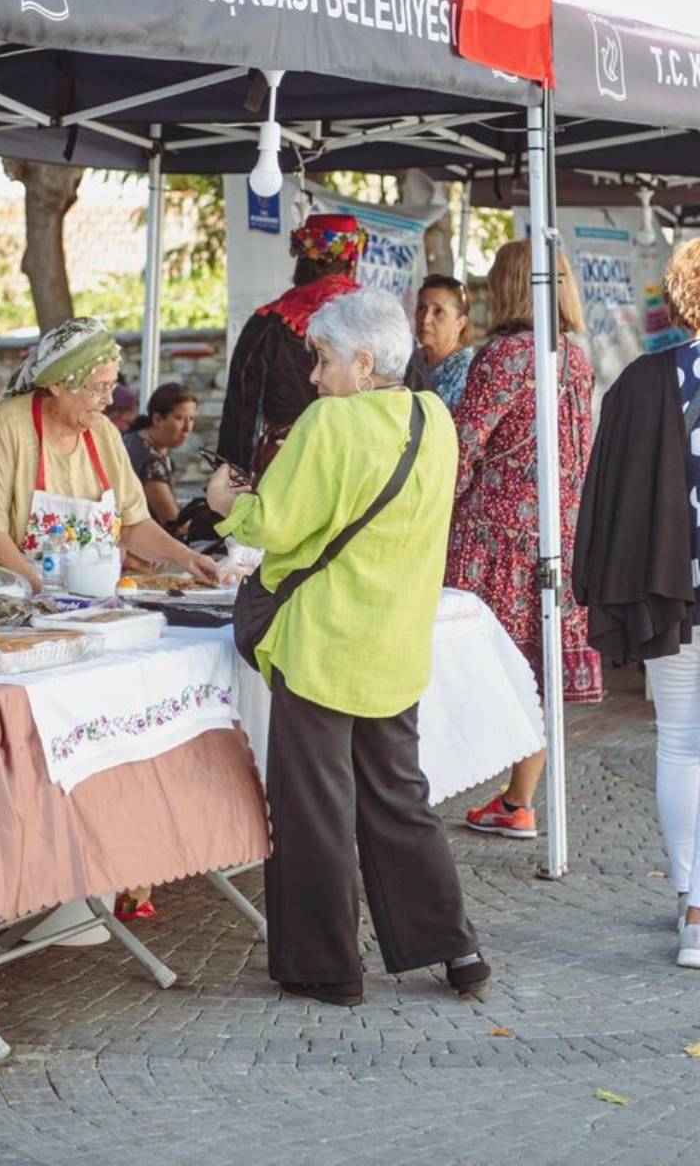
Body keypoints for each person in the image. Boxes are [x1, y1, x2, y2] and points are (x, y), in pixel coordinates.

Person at [206, 289, 488, 1007]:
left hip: (324, 645)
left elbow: (276, 524)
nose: (314, 374)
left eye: (324, 358)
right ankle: (454, 946)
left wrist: (225, 502)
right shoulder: (435, 418)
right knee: (400, 799)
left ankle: (329, 969)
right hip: (394, 643)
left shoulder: (330, 423)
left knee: (316, 813)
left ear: (365, 363)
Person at [573, 239, 700, 966]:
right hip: (673, 590)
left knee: (681, 743)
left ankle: (688, 895)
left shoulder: (642, 381)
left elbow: (607, 495)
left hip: (665, 589)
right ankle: (697, 916)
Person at [448, 240, 602, 841]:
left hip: (499, 534)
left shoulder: (505, 356)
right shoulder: (575, 357)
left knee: (481, 661)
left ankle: (444, 778)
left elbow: (466, 445)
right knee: (540, 671)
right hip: (561, 531)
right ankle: (520, 799)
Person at [0, 318, 221, 594]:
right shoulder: (6, 424)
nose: (109, 400)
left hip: (73, 600)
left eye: (111, 386)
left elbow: (133, 523)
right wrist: (41, 591)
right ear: (57, 384)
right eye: (98, 387)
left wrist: (186, 557)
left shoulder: (104, 433)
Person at [218, 214, 367, 475]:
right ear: (352, 261)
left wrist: (230, 477)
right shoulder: (382, 325)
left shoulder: (267, 325)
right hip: (363, 465)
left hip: (286, 467)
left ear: (301, 258)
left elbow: (241, 417)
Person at [123, 383, 198, 530]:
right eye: (179, 418)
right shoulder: (150, 460)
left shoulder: (133, 439)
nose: (187, 429)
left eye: (191, 419)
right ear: (157, 419)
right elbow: (173, 523)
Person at [415, 274, 474, 411]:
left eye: (438, 311)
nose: (425, 319)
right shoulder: (413, 361)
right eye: (421, 308)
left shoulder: (467, 373)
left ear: (460, 323)